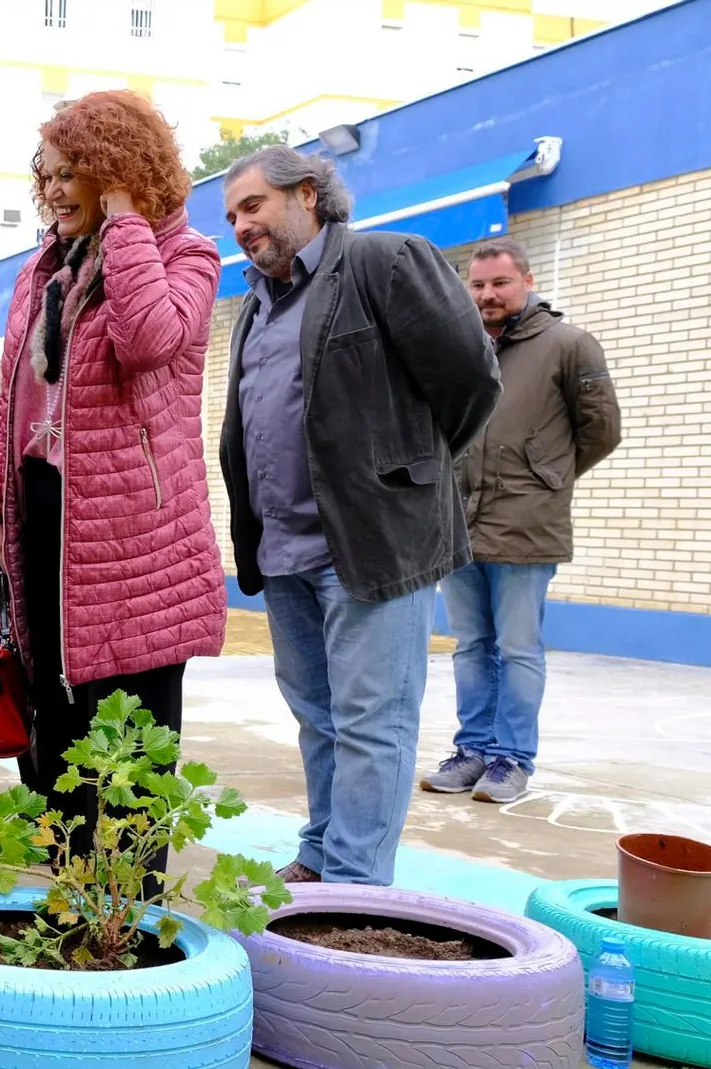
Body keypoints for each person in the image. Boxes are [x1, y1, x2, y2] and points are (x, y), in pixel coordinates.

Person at [219, 146, 500, 885]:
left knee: (373, 721)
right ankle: (320, 855)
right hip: (284, 551)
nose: (241, 225)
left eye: (252, 205)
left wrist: (407, 473)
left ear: (307, 194)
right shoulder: (256, 303)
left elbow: (470, 380)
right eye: (232, 216)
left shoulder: (385, 261)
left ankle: (354, 886)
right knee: (318, 715)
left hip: (371, 546)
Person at [0, 92, 226, 884]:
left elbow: (147, 339)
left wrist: (125, 221)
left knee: (132, 713)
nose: (50, 191)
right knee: (49, 696)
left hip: (134, 531)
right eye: (43, 176)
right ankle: (66, 874)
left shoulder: (188, 256)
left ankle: (129, 896)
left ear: (117, 172)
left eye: (70, 173)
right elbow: (10, 401)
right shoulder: (41, 269)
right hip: (42, 512)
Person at [422, 238, 620, 804]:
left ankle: (512, 759)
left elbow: (601, 432)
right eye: (478, 285)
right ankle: (473, 751)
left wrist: (545, 478)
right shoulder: (460, 346)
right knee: (468, 645)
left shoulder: (569, 345)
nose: (487, 295)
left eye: (500, 284)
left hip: (526, 527)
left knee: (517, 648)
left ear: (526, 282)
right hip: (457, 523)